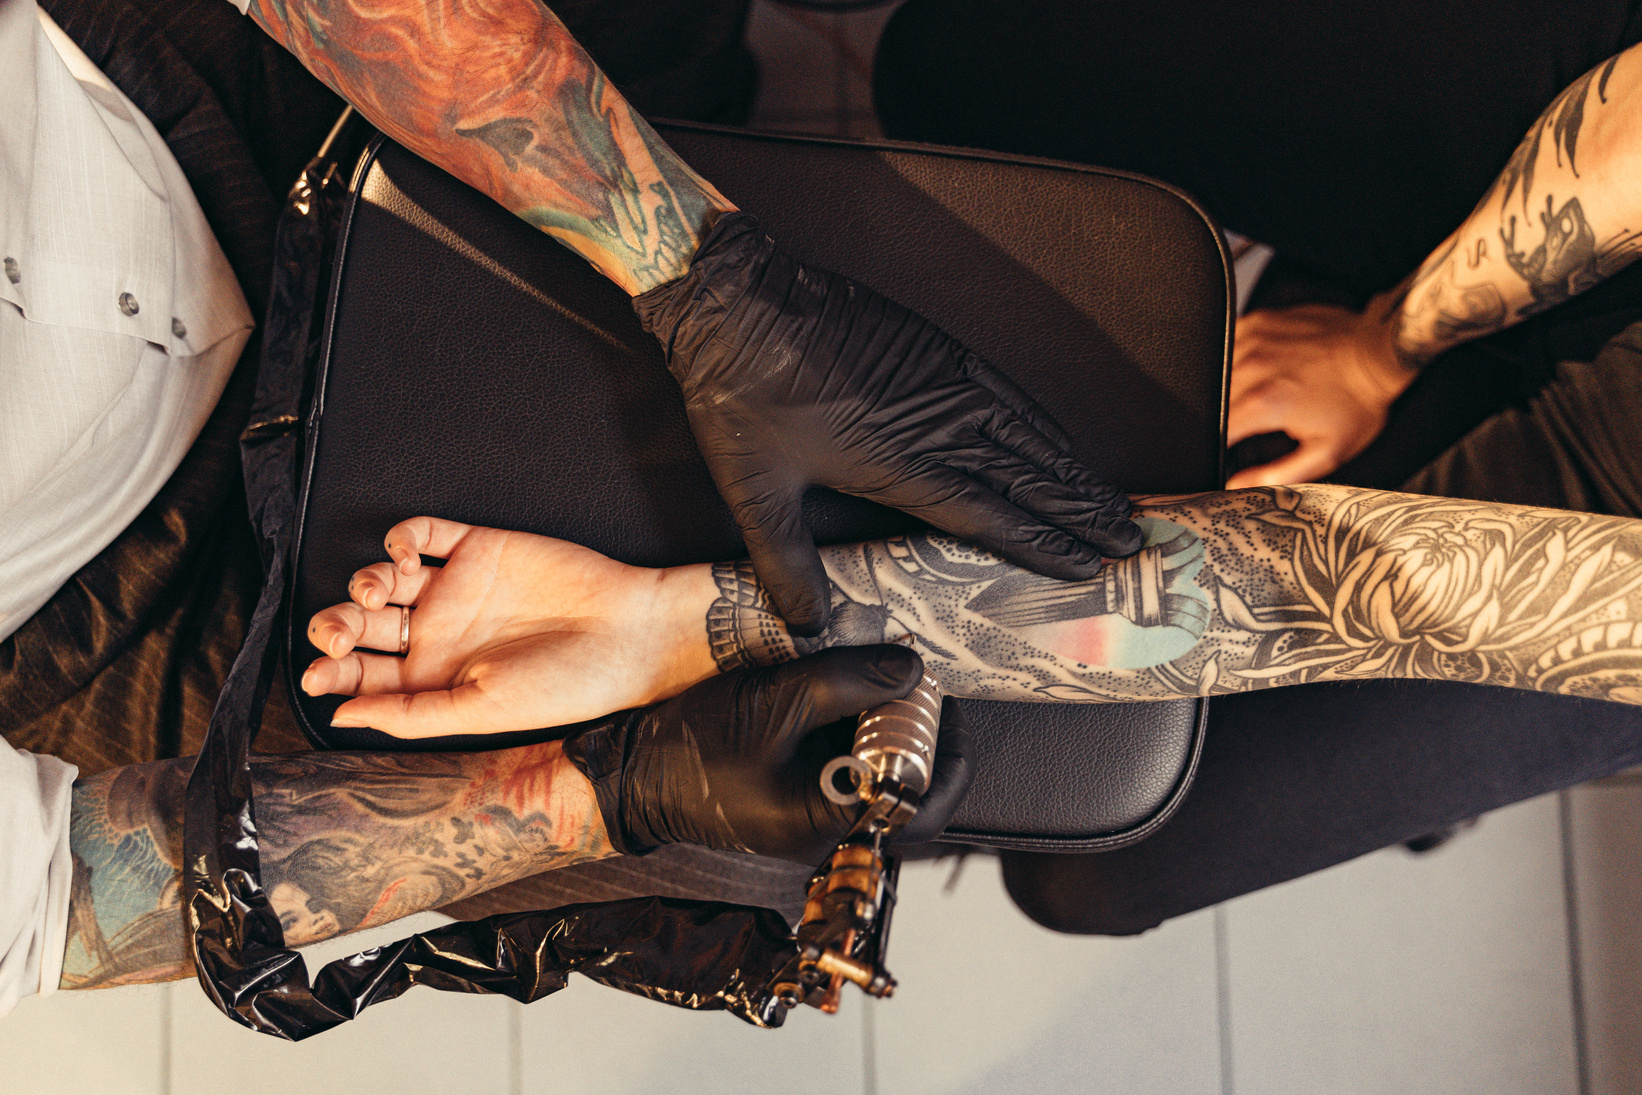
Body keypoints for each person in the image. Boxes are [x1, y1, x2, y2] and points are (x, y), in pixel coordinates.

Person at [870, 0, 1642, 933]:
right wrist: (1378, 349)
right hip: (1606, 136)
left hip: (1617, 525)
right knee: (952, 64)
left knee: (1092, 852)